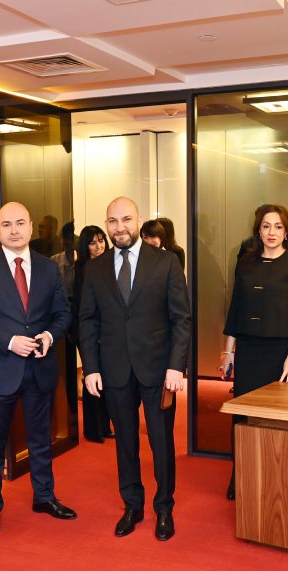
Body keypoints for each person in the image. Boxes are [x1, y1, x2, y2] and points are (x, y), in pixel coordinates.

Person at [0, 201, 76, 539]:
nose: (14, 230)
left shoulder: (48, 268)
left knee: (41, 439)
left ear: (30, 225)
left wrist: (49, 335)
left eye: (20, 223)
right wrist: (9, 341)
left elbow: (63, 313)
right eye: (6, 224)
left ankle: (44, 496)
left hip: (39, 368)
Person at [80, 196, 190, 540]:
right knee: (125, 442)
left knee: (161, 442)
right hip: (114, 371)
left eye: (126, 219)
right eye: (113, 221)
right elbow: (87, 321)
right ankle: (132, 505)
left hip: (158, 371)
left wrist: (177, 366)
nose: (120, 228)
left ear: (138, 221)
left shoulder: (166, 262)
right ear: (106, 225)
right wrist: (90, 367)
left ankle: (164, 507)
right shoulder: (95, 268)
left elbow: (182, 319)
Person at [220, 204, 288, 500]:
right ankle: (241, 475)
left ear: (287, 232)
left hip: (282, 353)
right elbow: (235, 308)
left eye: (278, 226)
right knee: (243, 415)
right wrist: (228, 352)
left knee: (280, 416)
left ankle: (278, 477)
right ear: (258, 231)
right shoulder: (246, 262)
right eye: (266, 226)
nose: (271, 232)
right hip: (249, 350)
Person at [73, 224, 113, 443]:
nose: (99, 246)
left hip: (108, 333)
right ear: (84, 246)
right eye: (92, 243)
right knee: (91, 376)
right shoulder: (82, 269)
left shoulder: (111, 264)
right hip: (88, 332)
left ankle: (105, 426)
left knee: (106, 379)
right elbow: (81, 309)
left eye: (101, 240)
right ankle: (92, 429)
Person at [50, 221, 77, 302]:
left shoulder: (84, 260)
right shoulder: (54, 260)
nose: (67, 242)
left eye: (71, 238)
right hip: (60, 302)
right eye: (65, 238)